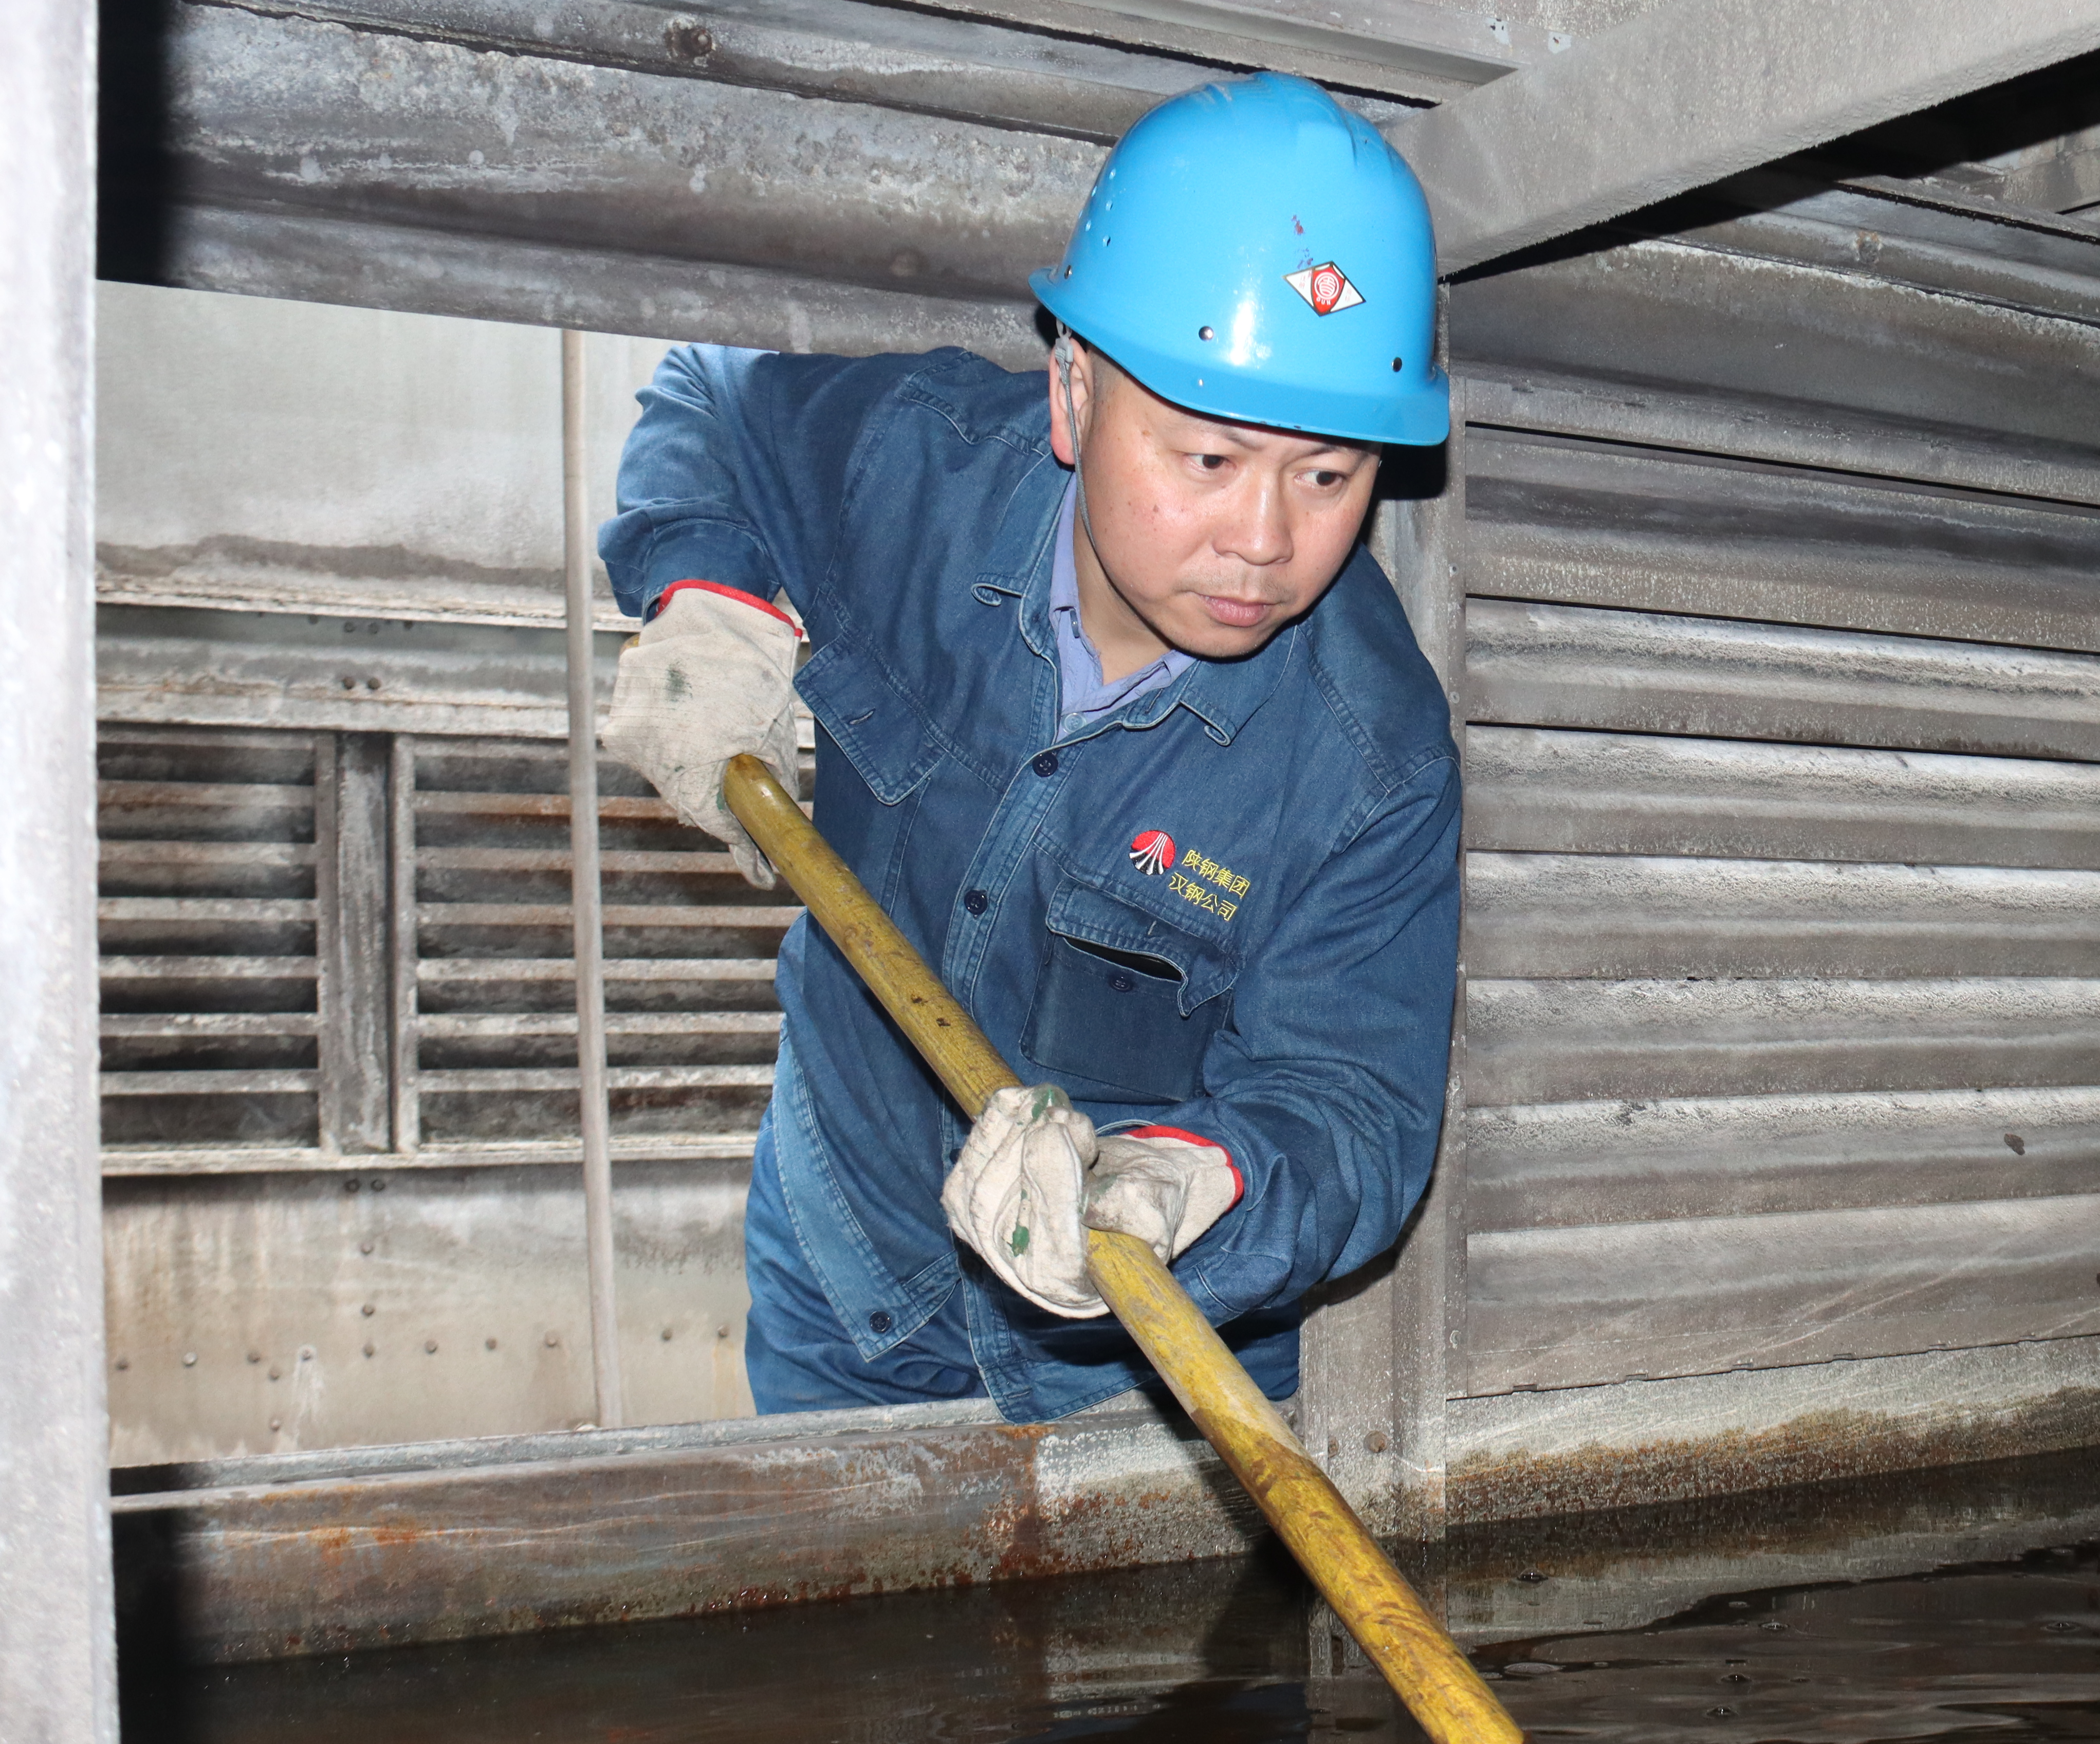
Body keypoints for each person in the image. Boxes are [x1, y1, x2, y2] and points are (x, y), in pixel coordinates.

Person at [596, 74, 1459, 1423]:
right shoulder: (911, 468)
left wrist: (1175, 1182)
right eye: (1212, 460)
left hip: (1137, 1360)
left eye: (1328, 475)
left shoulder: (1371, 759)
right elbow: (712, 398)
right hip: (853, 1262)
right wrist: (709, 594)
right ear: (1072, 393)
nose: (1265, 541)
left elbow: (1352, 1106)